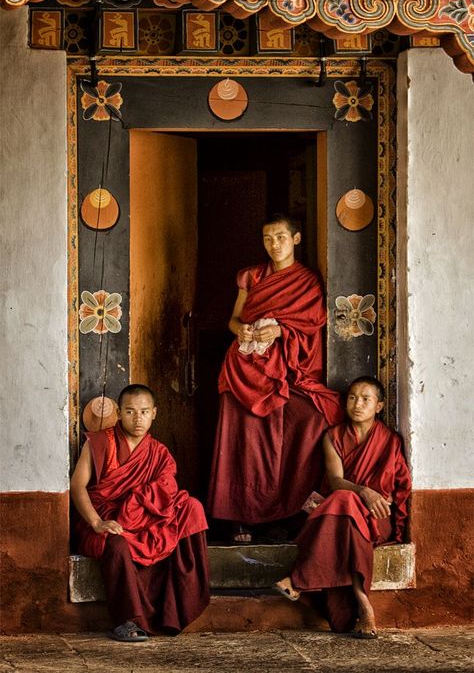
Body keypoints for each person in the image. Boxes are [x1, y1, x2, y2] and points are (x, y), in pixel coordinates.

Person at [207, 214, 343, 542]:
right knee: (243, 440)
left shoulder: (307, 281)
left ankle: (286, 511)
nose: (274, 245)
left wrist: (281, 329)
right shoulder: (251, 276)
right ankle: (239, 517)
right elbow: (234, 319)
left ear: (295, 239)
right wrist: (240, 328)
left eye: (281, 237)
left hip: (286, 368)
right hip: (245, 368)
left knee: (307, 423)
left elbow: (311, 323)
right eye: (268, 238)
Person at [273, 376, 411, 639]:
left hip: (375, 516)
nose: (357, 404)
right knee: (344, 504)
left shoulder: (390, 440)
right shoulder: (332, 437)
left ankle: (298, 580)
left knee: (341, 504)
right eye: (352, 397)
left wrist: (398, 525)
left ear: (379, 406)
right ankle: (364, 606)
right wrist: (364, 492)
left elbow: (400, 486)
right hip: (342, 515)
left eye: (366, 399)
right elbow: (336, 481)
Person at [71, 384, 210, 641]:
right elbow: (77, 485)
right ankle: (127, 621)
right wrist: (97, 522)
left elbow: (165, 493)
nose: (138, 419)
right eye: (130, 411)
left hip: (143, 520)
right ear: (120, 413)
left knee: (192, 507)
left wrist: (139, 507)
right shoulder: (100, 443)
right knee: (117, 543)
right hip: (106, 521)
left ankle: (181, 600)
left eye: (144, 412)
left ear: (154, 413)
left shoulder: (158, 453)